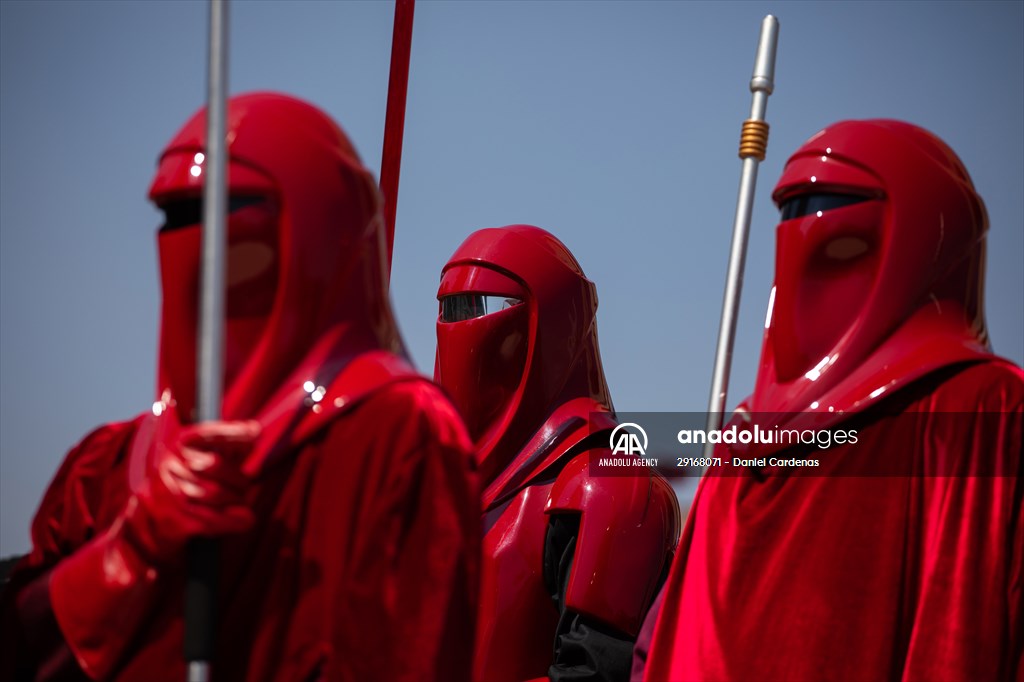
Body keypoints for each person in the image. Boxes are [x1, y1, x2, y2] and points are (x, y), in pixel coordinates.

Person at [0, 92, 479, 682]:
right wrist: (129, 555)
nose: (192, 236)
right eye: (175, 214)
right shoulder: (100, 472)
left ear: (319, 226)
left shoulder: (396, 438)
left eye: (221, 208)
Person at [639, 120, 1023, 681]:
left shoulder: (983, 409)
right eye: (790, 210)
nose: (801, 228)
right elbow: (668, 642)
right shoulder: (744, 436)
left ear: (920, 230)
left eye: (827, 204)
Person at [434, 225, 680, 682]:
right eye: (450, 309)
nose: (462, 325)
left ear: (553, 321)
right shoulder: (442, 498)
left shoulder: (605, 486)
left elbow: (594, 672)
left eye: (483, 306)